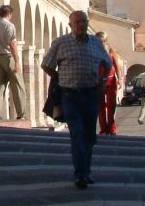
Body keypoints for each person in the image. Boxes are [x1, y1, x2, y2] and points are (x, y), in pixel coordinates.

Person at [41, 11, 111, 189]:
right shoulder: (61, 42)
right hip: (70, 95)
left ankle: (86, 171)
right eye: (77, 22)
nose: (81, 24)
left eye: (84, 21)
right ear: (71, 24)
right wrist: (59, 77)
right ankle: (80, 174)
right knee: (77, 133)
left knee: (89, 135)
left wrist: (102, 81)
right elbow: (46, 64)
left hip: (91, 94)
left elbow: (108, 63)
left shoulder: (96, 42)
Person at [0, 4, 26, 120]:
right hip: (9, 57)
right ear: (9, 14)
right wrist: (17, 61)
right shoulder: (9, 25)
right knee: (18, 86)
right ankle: (21, 114)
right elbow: (12, 44)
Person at [96, 31, 123, 136]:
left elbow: (117, 66)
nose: (100, 43)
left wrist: (120, 79)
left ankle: (112, 128)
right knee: (100, 106)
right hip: (98, 82)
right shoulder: (94, 52)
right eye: (98, 41)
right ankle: (103, 128)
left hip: (111, 81)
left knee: (111, 105)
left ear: (106, 41)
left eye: (102, 41)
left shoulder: (111, 52)